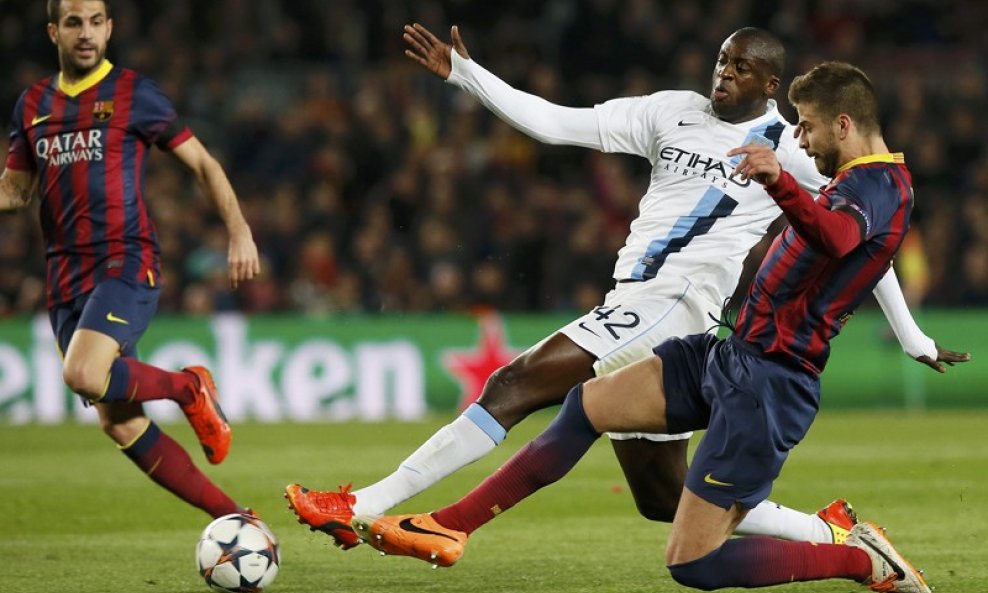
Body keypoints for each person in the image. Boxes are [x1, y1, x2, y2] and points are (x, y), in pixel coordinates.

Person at [286, 24, 965, 549]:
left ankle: (364, 506)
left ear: (770, 80)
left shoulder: (790, 147)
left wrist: (911, 333)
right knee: (663, 498)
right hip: (634, 299)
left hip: (678, 300)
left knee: (515, 385)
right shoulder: (670, 111)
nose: (723, 72)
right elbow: (553, 120)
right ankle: (832, 532)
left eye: (740, 66)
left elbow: (859, 244)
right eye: (721, 60)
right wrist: (467, 75)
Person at [0, 0, 260, 518]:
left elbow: (201, 163)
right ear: (54, 31)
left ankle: (189, 388)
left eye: (96, 21)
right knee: (119, 422)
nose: (86, 33)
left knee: (83, 374)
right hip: (64, 277)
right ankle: (236, 518)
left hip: (125, 261)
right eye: (73, 22)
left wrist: (239, 228)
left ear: (110, 27)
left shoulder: (134, 94)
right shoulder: (32, 105)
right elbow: (16, 191)